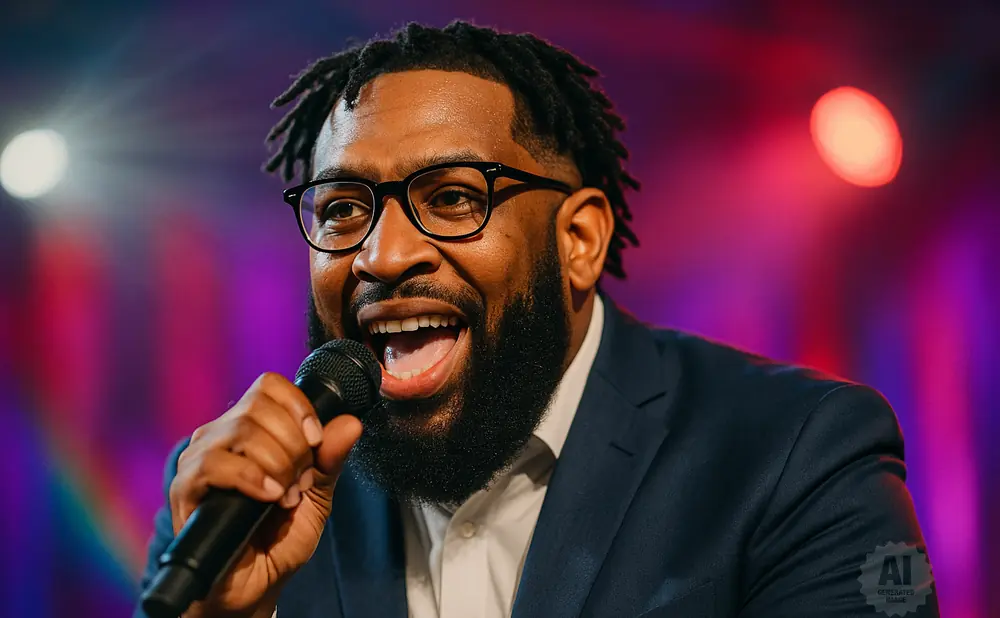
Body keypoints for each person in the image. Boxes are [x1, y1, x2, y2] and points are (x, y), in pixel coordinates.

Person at [136, 21, 938, 618]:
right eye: (344, 209)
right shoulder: (241, 494)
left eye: (451, 198)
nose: (380, 257)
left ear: (579, 240)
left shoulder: (795, 451)